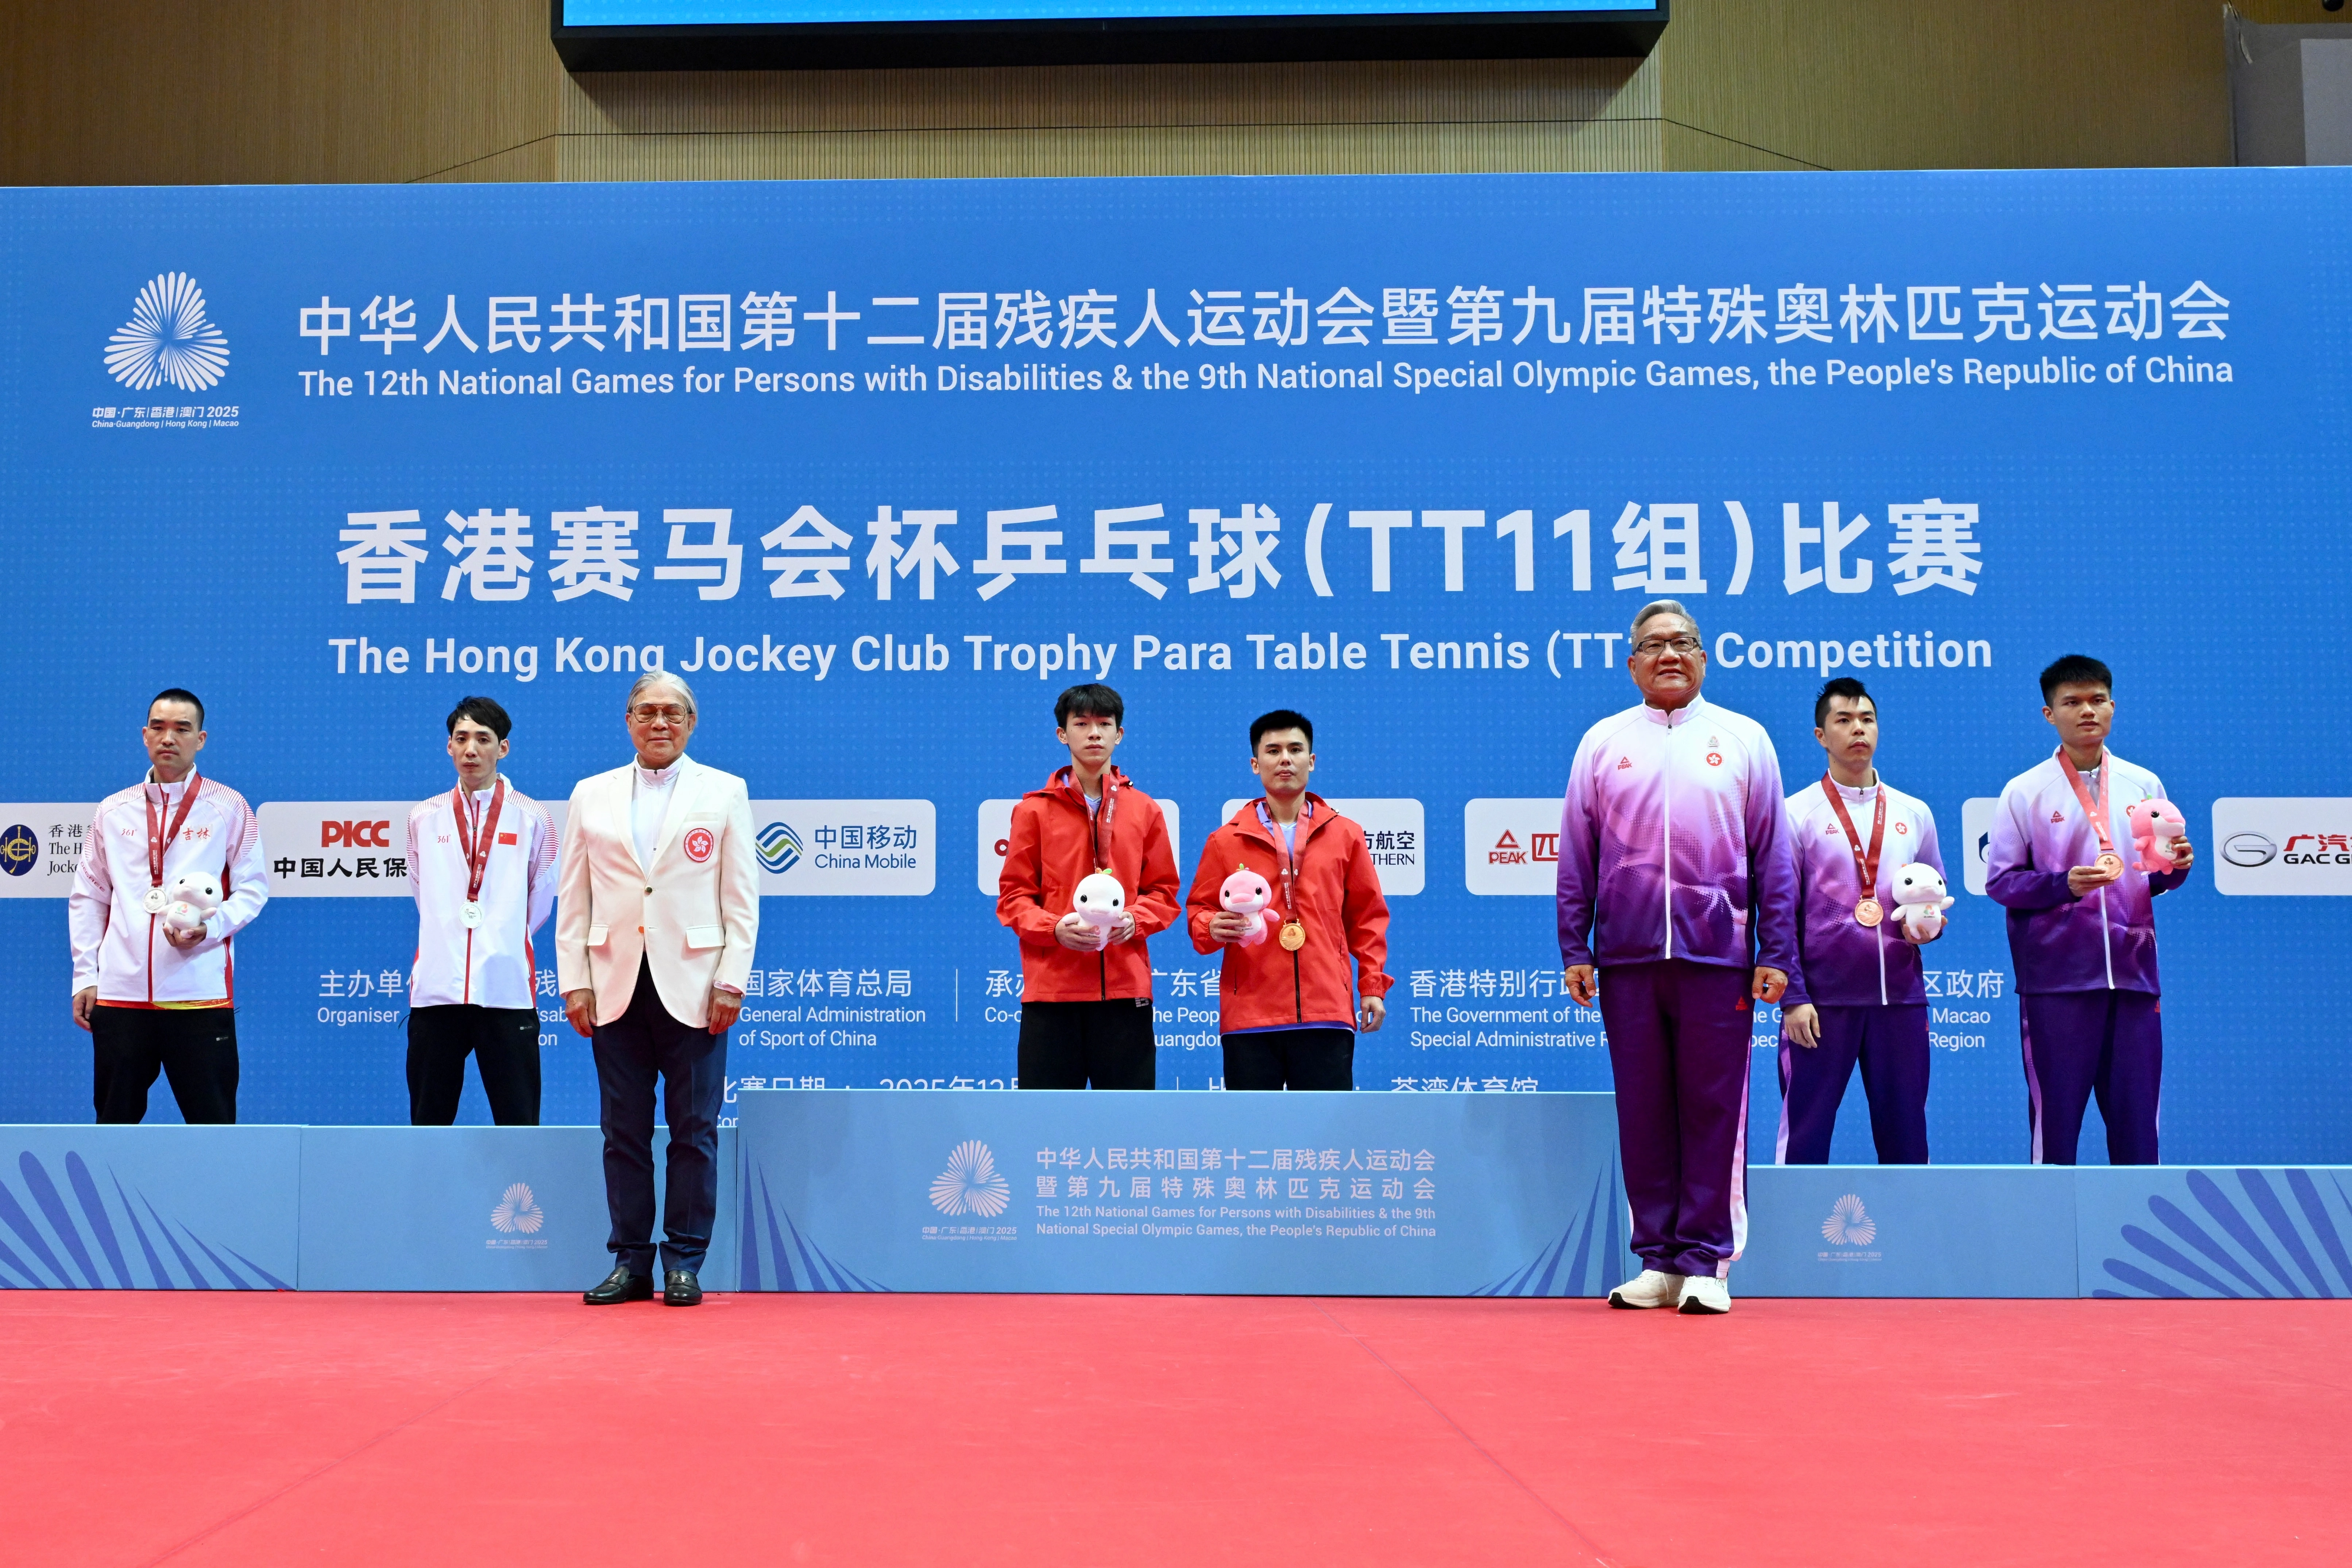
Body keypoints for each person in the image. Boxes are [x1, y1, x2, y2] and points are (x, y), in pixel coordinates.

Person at [1555, 600, 1796, 1316]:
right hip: (1627, 961)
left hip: (1715, 958)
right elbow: (1577, 854)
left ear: (1704, 657)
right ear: (1630, 663)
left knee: (1712, 1108)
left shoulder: (1744, 739)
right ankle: (1656, 1260)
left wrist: (1774, 949)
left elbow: (1773, 857)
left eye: (1682, 643)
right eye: (1653, 645)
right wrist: (1577, 945)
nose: (1668, 654)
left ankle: (1706, 1262)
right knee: (1644, 1109)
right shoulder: (1602, 743)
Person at [558, 672, 758, 1306]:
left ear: (691, 723)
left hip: (697, 984)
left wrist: (731, 979)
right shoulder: (591, 794)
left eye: (673, 712)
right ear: (628, 721)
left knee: (694, 1129)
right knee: (623, 1130)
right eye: (647, 712)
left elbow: (741, 898)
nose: (660, 723)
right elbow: (574, 897)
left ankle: (685, 1260)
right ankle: (630, 1260)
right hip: (614, 979)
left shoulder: (724, 791)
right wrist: (574, 982)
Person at [1986, 655, 2192, 1165]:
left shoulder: (2144, 785)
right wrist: (2063, 885)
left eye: (2096, 700)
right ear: (2047, 714)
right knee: (2055, 1131)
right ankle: (2045, 1239)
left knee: (2137, 1130)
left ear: (2112, 706)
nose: (2086, 712)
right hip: (2056, 984)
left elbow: (2156, 877)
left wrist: (2177, 866)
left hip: (2132, 979)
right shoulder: (2025, 791)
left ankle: (2141, 1244)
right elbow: (2001, 882)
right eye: (2071, 702)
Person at [68, 689, 269, 1124]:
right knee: (113, 1130)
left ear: (201, 739)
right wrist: (86, 974)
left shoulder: (229, 807)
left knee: (214, 1131)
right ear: (144, 735)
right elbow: (90, 896)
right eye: (158, 727)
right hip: (121, 998)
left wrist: (210, 930)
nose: (168, 737)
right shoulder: (112, 811)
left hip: (198, 996)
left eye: (182, 728)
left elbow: (253, 889)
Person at [1777, 678, 1946, 1165]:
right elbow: (1777, 915)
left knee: (1907, 1141)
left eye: (1866, 720)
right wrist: (1793, 997)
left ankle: (1911, 1239)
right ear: (1820, 736)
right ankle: (1792, 1239)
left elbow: (1934, 899)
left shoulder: (1913, 812)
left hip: (1900, 1002)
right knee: (1805, 1138)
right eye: (1843, 720)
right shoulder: (1795, 814)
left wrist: (1929, 926)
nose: (1857, 730)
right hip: (1820, 1006)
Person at [1186, 709, 1391, 1089]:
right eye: (1273, 750)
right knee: (1251, 1139)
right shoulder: (1225, 840)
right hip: (1250, 1015)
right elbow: (1199, 915)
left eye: (1295, 749)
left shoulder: (1346, 835)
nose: (1285, 759)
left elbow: (1367, 918)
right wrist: (1211, 926)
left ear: (1311, 761)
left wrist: (1373, 986)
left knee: (1323, 1141)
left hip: (1326, 1011)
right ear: (1255, 763)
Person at [997, 683, 1180, 1089]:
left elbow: (1164, 892)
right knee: (1046, 1129)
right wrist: (1054, 928)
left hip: (1125, 995)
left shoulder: (1146, 810)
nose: (1094, 733)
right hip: (1052, 996)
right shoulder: (1034, 811)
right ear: (1063, 734)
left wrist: (1136, 919)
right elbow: (1013, 897)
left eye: (1104, 724)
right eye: (1082, 723)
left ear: (1120, 734)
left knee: (1128, 1129)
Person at [404, 696, 557, 1126]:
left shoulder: (533, 818)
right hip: (437, 991)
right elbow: (424, 896)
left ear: (502, 748)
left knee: (519, 1124)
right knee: (428, 1124)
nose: (471, 749)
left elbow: (540, 901)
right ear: (449, 747)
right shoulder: (423, 818)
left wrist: (500, 938)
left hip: (506, 990)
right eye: (461, 738)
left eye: (483, 739)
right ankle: (427, 1196)